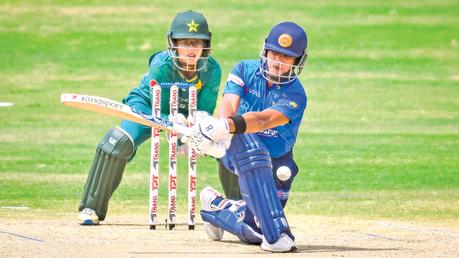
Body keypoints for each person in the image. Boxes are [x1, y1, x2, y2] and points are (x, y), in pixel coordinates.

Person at [78, 10, 221, 225]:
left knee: (231, 145)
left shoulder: (212, 69)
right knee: (119, 142)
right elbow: (159, 110)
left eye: (197, 43)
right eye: (185, 42)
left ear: (205, 45)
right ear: (173, 43)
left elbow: (204, 111)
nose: (191, 49)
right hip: (146, 106)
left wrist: (193, 135)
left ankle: (242, 211)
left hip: (185, 115)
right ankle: (91, 208)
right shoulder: (162, 65)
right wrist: (176, 129)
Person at [184, 21, 308, 252]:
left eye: (286, 57)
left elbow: (264, 120)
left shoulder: (296, 95)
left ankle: (216, 208)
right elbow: (229, 106)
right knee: (251, 146)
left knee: (254, 231)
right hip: (240, 149)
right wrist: (216, 132)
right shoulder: (244, 70)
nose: (277, 62)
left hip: (278, 159)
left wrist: (225, 126)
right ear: (265, 50)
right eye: (274, 53)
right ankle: (277, 235)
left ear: (298, 61)